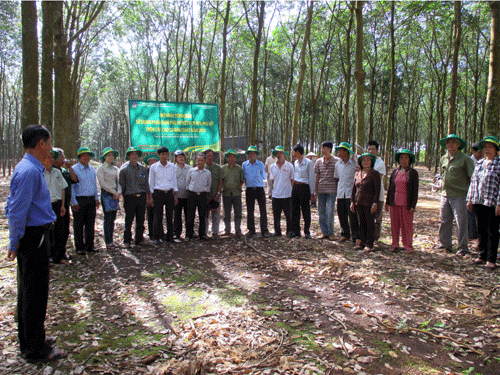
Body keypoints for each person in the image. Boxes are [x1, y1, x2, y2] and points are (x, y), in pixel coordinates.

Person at [6, 124, 67, 363]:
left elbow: (12, 204)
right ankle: (35, 349)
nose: (51, 148)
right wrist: (14, 240)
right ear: (41, 143)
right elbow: (16, 210)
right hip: (34, 237)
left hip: (34, 235)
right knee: (35, 292)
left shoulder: (29, 168)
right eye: (49, 143)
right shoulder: (30, 171)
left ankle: (32, 337)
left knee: (29, 290)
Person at [437, 134, 475, 255]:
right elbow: (441, 174)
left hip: (459, 195)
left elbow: (472, 178)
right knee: (444, 220)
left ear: (458, 144)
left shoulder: (465, 159)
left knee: (461, 222)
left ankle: (463, 248)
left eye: (453, 142)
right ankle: (445, 245)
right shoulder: (443, 158)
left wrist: (471, 197)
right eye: (448, 142)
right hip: (445, 194)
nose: (450, 144)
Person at [466, 136, 500, 271]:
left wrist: (499, 203)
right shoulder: (479, 164)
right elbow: (473, 182)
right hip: (478, 201)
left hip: (492, 202)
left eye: (490, 147)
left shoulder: (498, 164)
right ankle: (482, 255)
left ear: (496, 149)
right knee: (481, 228)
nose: (487, 149)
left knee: (493, 230)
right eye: (485, 147)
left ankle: (491, 259)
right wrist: (469, 199)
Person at [385, 149, 419, 253]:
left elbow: (415, 190)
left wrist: (413, 205)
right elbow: (391, 187)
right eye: (401, 158)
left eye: (406, 158)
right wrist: (387, 202)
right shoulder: (395, 172)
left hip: (406, 202)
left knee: (406, 225)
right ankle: (395, 244)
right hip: (394, 201)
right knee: (394, 224)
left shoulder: (413, 173)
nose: (403, 160)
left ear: (410, 160)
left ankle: (408, 245)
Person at [120, 147, 152, 248]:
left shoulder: (143, 169)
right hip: (130, 198)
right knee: (129, 220)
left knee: (140, 219)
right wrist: (126, 198)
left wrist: (147, 197)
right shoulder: (124, 170)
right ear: (129, 156)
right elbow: (122, 186)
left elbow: (146, 184)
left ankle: (139, 239)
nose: (134, 156)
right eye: (132, 154)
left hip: (141, 197)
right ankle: (127, 240)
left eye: (136, 154)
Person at [71, 147, 99, 254]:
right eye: (83, 155)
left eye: (88, 155)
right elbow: (72, 187)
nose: (86, 157)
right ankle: (79, 247)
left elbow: (94, 185)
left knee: (90, 224)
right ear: (79, 157)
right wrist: (74, 202)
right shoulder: (74, 169)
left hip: (91, 200)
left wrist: (96, 198)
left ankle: (89, 246)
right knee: (78, 224)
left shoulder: (92, 169)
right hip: (79, 200)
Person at [350, 153, 381, 252]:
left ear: (371, 162)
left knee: (369, 223)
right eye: (364, 160)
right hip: (359, 202)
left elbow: (377, 190)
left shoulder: (374, 173)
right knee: (361, 223)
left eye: (368, 160)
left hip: (369, 202)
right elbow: (354, 189)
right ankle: (362, 242)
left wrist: (375, 203)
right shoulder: (357, 173)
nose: (366, 162)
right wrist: (352, 201)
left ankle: (369, 243)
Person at [149, 146, 178, 245]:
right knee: (158, 216)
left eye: (166, 154)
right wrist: (151, 197)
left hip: (169, 193)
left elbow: (174, 181)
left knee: (170, 216)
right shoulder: (154, 167)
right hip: (158, 193)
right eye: (162, 154)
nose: (164, 156)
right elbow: (151, 182)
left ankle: (170, 237)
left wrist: (175, 195)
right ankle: (157, 237)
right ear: (159, 155)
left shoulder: (172, 166)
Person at [53, 148, 78, 263]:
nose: (63, 159)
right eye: (60, 157)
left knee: (64, 230)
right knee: (55, 231)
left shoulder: (64, 171)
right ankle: (53, 254)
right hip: (54, 206)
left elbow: (74, 179)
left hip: (65, 206)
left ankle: (62, 252)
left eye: (63, 157)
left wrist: (70, 168)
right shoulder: (50, 171)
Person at [43, 149, 68, 263]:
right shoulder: (39, 172)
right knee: (48, 231)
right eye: (48, 157)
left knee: (60, 230)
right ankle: (49, 255)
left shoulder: (57, 172)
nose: (51, 160)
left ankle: (59, 254)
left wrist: (63, 205)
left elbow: (63, 189)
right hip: (45, 205)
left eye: (52, 157)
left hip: (58, 204)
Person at [242, 146, 271, 238]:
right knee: (250, 210)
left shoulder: (261, 164)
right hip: (249, 190)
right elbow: (243, 177)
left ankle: (264, 230)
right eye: (250, 153)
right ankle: (251, 230)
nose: (252, 155)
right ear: (248, 154)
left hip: (259, 189)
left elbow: (263, 176)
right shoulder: (244, 165)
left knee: (263, 210)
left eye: (253, 153)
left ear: (256, 154)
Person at [334, 142, 360, 244]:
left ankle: (356, 236)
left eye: (340, 150)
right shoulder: (337, 164)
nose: (338, 152)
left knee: (353, 215)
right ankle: (345, 234)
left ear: (346, 152)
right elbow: (337, 178)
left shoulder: (354, 165)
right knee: (341, 215)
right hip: (340, 193)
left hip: (351, 194)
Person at [97, 147, 121, 249]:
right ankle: (108, 241)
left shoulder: (115, 168)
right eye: (108, 155)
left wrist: (118, 192)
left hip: (115, 195)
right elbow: (102, 183)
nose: (111, 157)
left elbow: (119, 182)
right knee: (108, 218)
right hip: (107, 195)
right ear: (104, 157)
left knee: (113, 218)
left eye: (112, 155)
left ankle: (112, 239)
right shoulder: (101, 168)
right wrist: (114, 192)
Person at [314, 141, 338, 240]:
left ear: (329, 149)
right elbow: (317, 177)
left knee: (330, 212)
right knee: (321, 211)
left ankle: (331, 233)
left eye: (323, 148)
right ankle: (324, 232)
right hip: (321, 190)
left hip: (332, 190)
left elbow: (338, 177)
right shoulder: (318, 162)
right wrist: (315, 190)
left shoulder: (337, 161)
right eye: (321, 148)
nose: (322, 150)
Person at [269, 146, 294, 237]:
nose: (279, 155)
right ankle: (277, 231)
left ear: (284, 154)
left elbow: (292, 179)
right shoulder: (272, 166)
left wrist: (290, 190)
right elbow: (272, 180)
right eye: (277, 153)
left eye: (281, 153)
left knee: (288, 214)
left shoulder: (289, 165)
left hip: (287, 194)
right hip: (276, 194)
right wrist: (271, 192)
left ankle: (289, 231)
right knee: (276, 215)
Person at [291, 144, 315, 239]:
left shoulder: (309, 163)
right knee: (295, 210)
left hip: (305, 188)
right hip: (296, 187)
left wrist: (311, 192)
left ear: (297, 152)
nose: (293, 154)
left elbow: (312, 178)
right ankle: (296, 231)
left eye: (294, 152)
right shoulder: (295, 163)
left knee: (305, 210)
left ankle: (307, 231)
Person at [186, 153, 212, 241]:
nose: (200, 162)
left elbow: (209, 185)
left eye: (202, 160)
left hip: (203, 196)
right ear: (196, 161)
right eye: (198, 160)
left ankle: (202, 234)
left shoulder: (208, 173)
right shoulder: (191, 171)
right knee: (190, 216)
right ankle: (188, 235)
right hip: (192, 195)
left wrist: (206, 194)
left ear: (204, 161)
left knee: (203, 216)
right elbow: (187, 183)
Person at [366, 141, 386, 247]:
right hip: (366, 195)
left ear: (377, 150)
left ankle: (375, 238)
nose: (370, 151)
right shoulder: (365, 161)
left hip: (378, 195)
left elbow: (378, 179)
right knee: (367, 217)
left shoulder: (380, 163)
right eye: (369, 149)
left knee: (377, 218)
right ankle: (367, 237)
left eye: (373, 149)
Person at [221, 149, 244, 236]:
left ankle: (238, 230)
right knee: (227, 213)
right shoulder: (222, 168)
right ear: (227, 158)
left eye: (233, 157)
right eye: (230, 157)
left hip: (236, 193)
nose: (231, 158)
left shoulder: (239, 169)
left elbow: (241, 181)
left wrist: (236, 187)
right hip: (226, 193)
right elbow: (221, 181)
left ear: (235, 158)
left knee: (238, 213)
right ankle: (227, 230)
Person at [204, 149, 222, 238]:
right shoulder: (202, 167)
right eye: (208, 156)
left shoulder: (218, 168)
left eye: (211, 156)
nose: (210, 157)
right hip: (205, 196)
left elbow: (220, 181)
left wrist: (218, 193)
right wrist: (206, 196)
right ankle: (204, 233)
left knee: (216, 214)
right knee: (205, 215)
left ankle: (215, 232)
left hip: (216, 195)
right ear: (205, 157)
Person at [173, 150, 190, 239]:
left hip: (188, 196)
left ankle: (189, 233)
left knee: (189, 215)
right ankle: (177, 232)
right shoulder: (172, 168)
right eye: (179, 157)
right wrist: (174, 194)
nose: (181, 158)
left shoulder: (189, 168)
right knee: (177, 215)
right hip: (177, 196)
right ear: (176, 158)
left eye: (182, 157)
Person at [468, 142, 483, 244]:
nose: (482, 153)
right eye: (480, 151)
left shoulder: (483, 162)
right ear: (474, 151)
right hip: (470, 191)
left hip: (481, 193)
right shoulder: (469, 161)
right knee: (470, 214)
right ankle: (472, 236)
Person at [143, 154, 160, 240]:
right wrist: (148, 197)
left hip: (158, 194)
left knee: (158, 214)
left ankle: (159, 232)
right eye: (151, 161)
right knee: (150, 214)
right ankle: (151, 233)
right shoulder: (146, 171)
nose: (152, 162)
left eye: (154, 160)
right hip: (148, 194)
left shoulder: (159, 170)